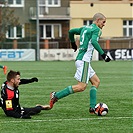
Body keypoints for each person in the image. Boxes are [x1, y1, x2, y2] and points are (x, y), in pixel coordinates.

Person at [49, 13, 111, 114]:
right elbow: (95, 42)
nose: (104, 24)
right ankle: (56, 95)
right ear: (98, 20)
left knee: (96, 82)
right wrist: (103, 55)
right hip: (84, 61)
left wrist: (73, 43)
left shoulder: (85, 28)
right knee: (81, 87)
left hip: (81, 60)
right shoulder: (96, 29)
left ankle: (92, 108)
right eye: (103, 22)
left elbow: (71, 31)